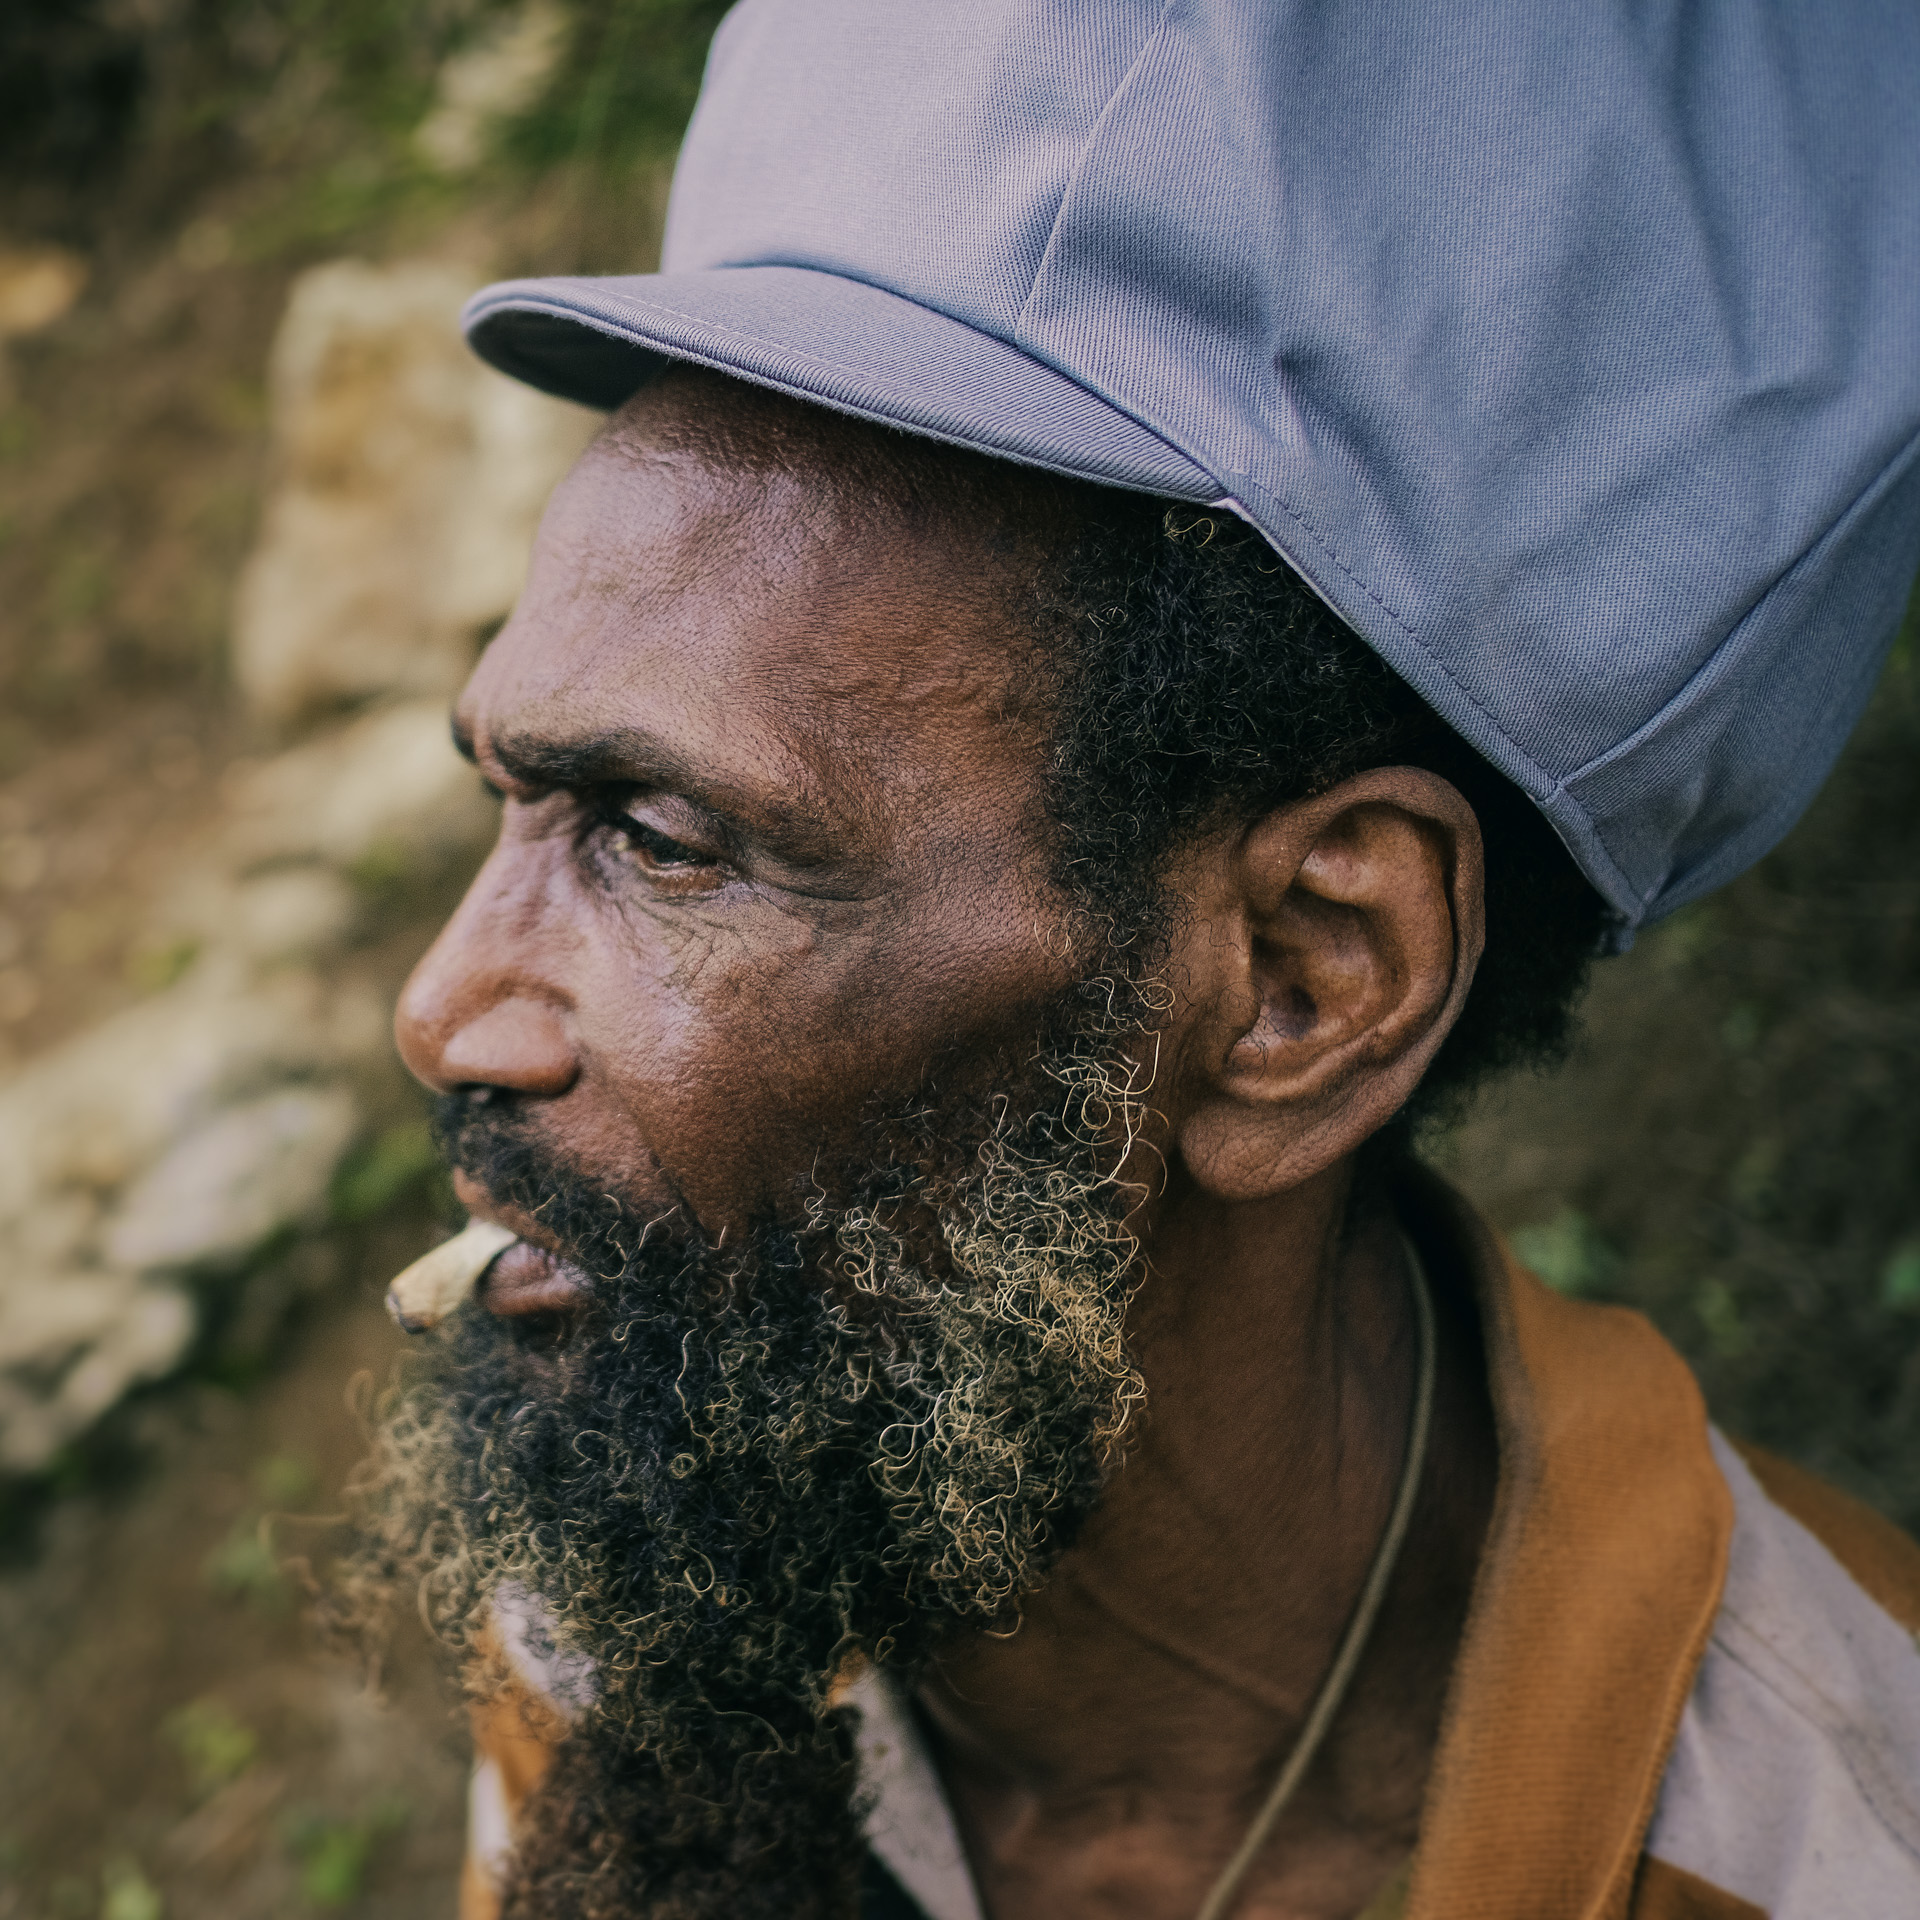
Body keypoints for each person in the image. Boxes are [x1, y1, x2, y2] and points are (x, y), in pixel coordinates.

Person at [338, 3, 1920, 1916]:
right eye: (509, 800)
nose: (439, 1009)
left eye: (661, 842)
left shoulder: (1833, 1844)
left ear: (1300, 984)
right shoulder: (672, 1561)